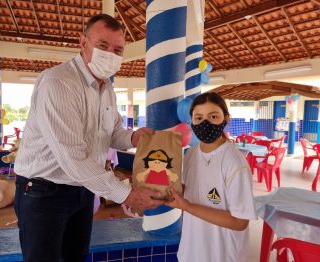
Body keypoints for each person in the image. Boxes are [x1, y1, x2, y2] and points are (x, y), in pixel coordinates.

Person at [14, 14, 163, 262]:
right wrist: (125, 194)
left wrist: (134, 137)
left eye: (117, 49)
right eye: (103, 46)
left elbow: (113, 132)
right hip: (44, 192)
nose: (110, 54)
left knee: (76, 256)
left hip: (83, 189)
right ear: (83, 43)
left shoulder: (107, 88)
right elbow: (73, 158)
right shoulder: (59, 83)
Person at [166, 92, 257, 262]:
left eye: (213, 116)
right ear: (191, 122)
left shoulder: (235, 163)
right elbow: (192, 191)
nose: (205, 123)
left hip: (222, 254)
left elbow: (240, 222)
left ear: (226, 119)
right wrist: (167, 190)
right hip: (191, 250)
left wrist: (187, 206)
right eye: (198, 118)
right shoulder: (190, 154)